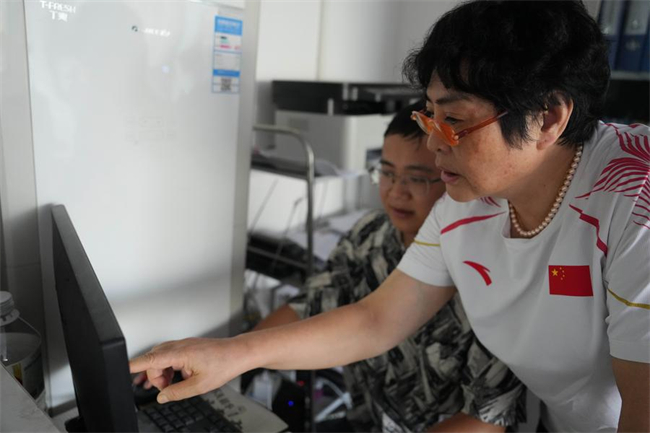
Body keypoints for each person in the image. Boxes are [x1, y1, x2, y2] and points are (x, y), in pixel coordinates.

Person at [130, 2, 650, 431]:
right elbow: (377, 319)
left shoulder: (635, 202)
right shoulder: (467, 203)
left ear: (548, 117)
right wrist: (232, 354)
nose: (433, 142)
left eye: (454, 119)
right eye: (430, 114)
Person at [253, 101, 524, 432]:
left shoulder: (485, 274)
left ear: (452, 178)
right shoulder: (369, 235)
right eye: (387, 173)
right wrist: (236, 358)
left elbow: (486, 419)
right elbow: (310, 304)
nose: (397, 192)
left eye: (416, 178)